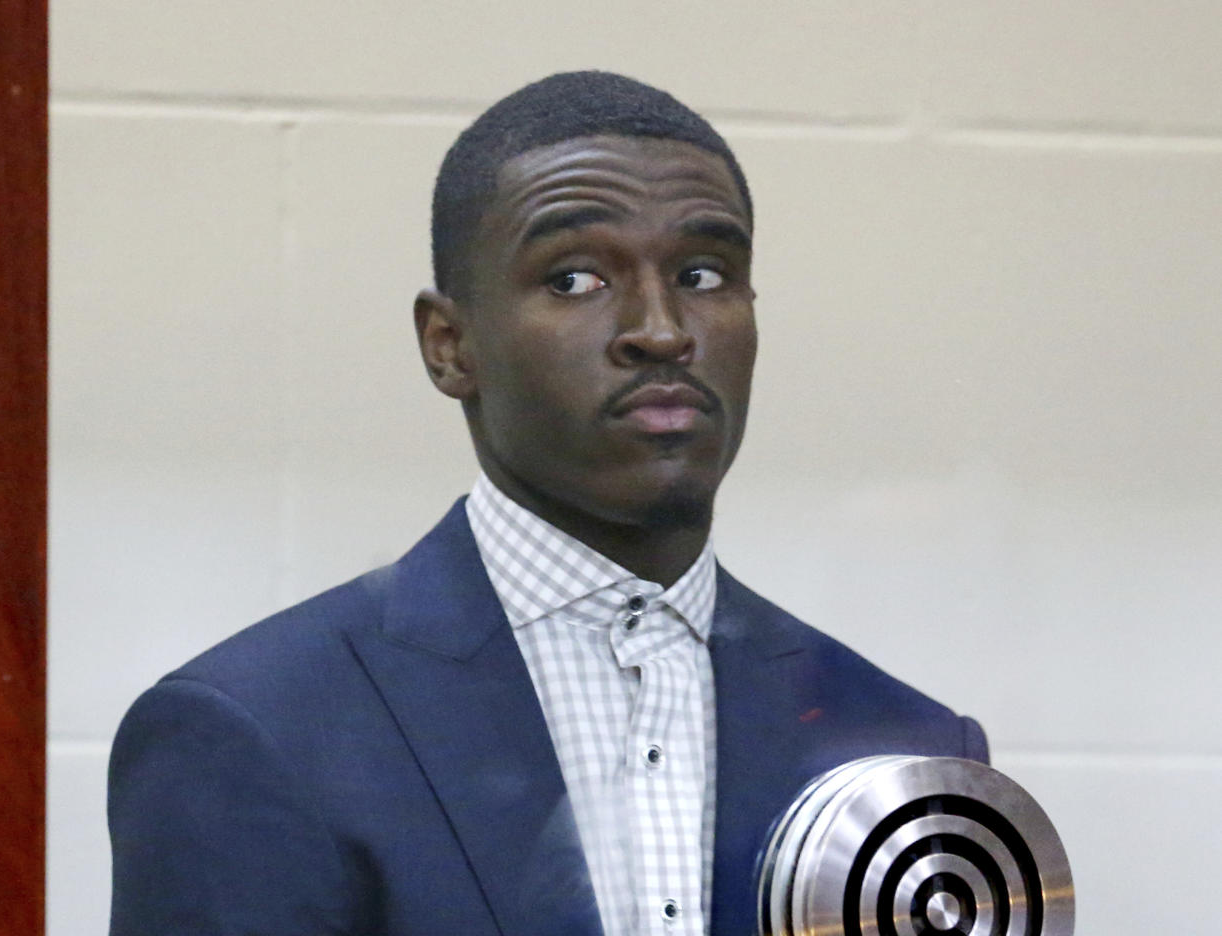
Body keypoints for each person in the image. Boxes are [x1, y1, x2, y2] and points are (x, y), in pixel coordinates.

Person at [108, 71, 987, 936]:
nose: (662, 329)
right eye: (575, 279)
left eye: (706, 273)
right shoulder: (254, 731)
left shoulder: (904, 750)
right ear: (450, 346)